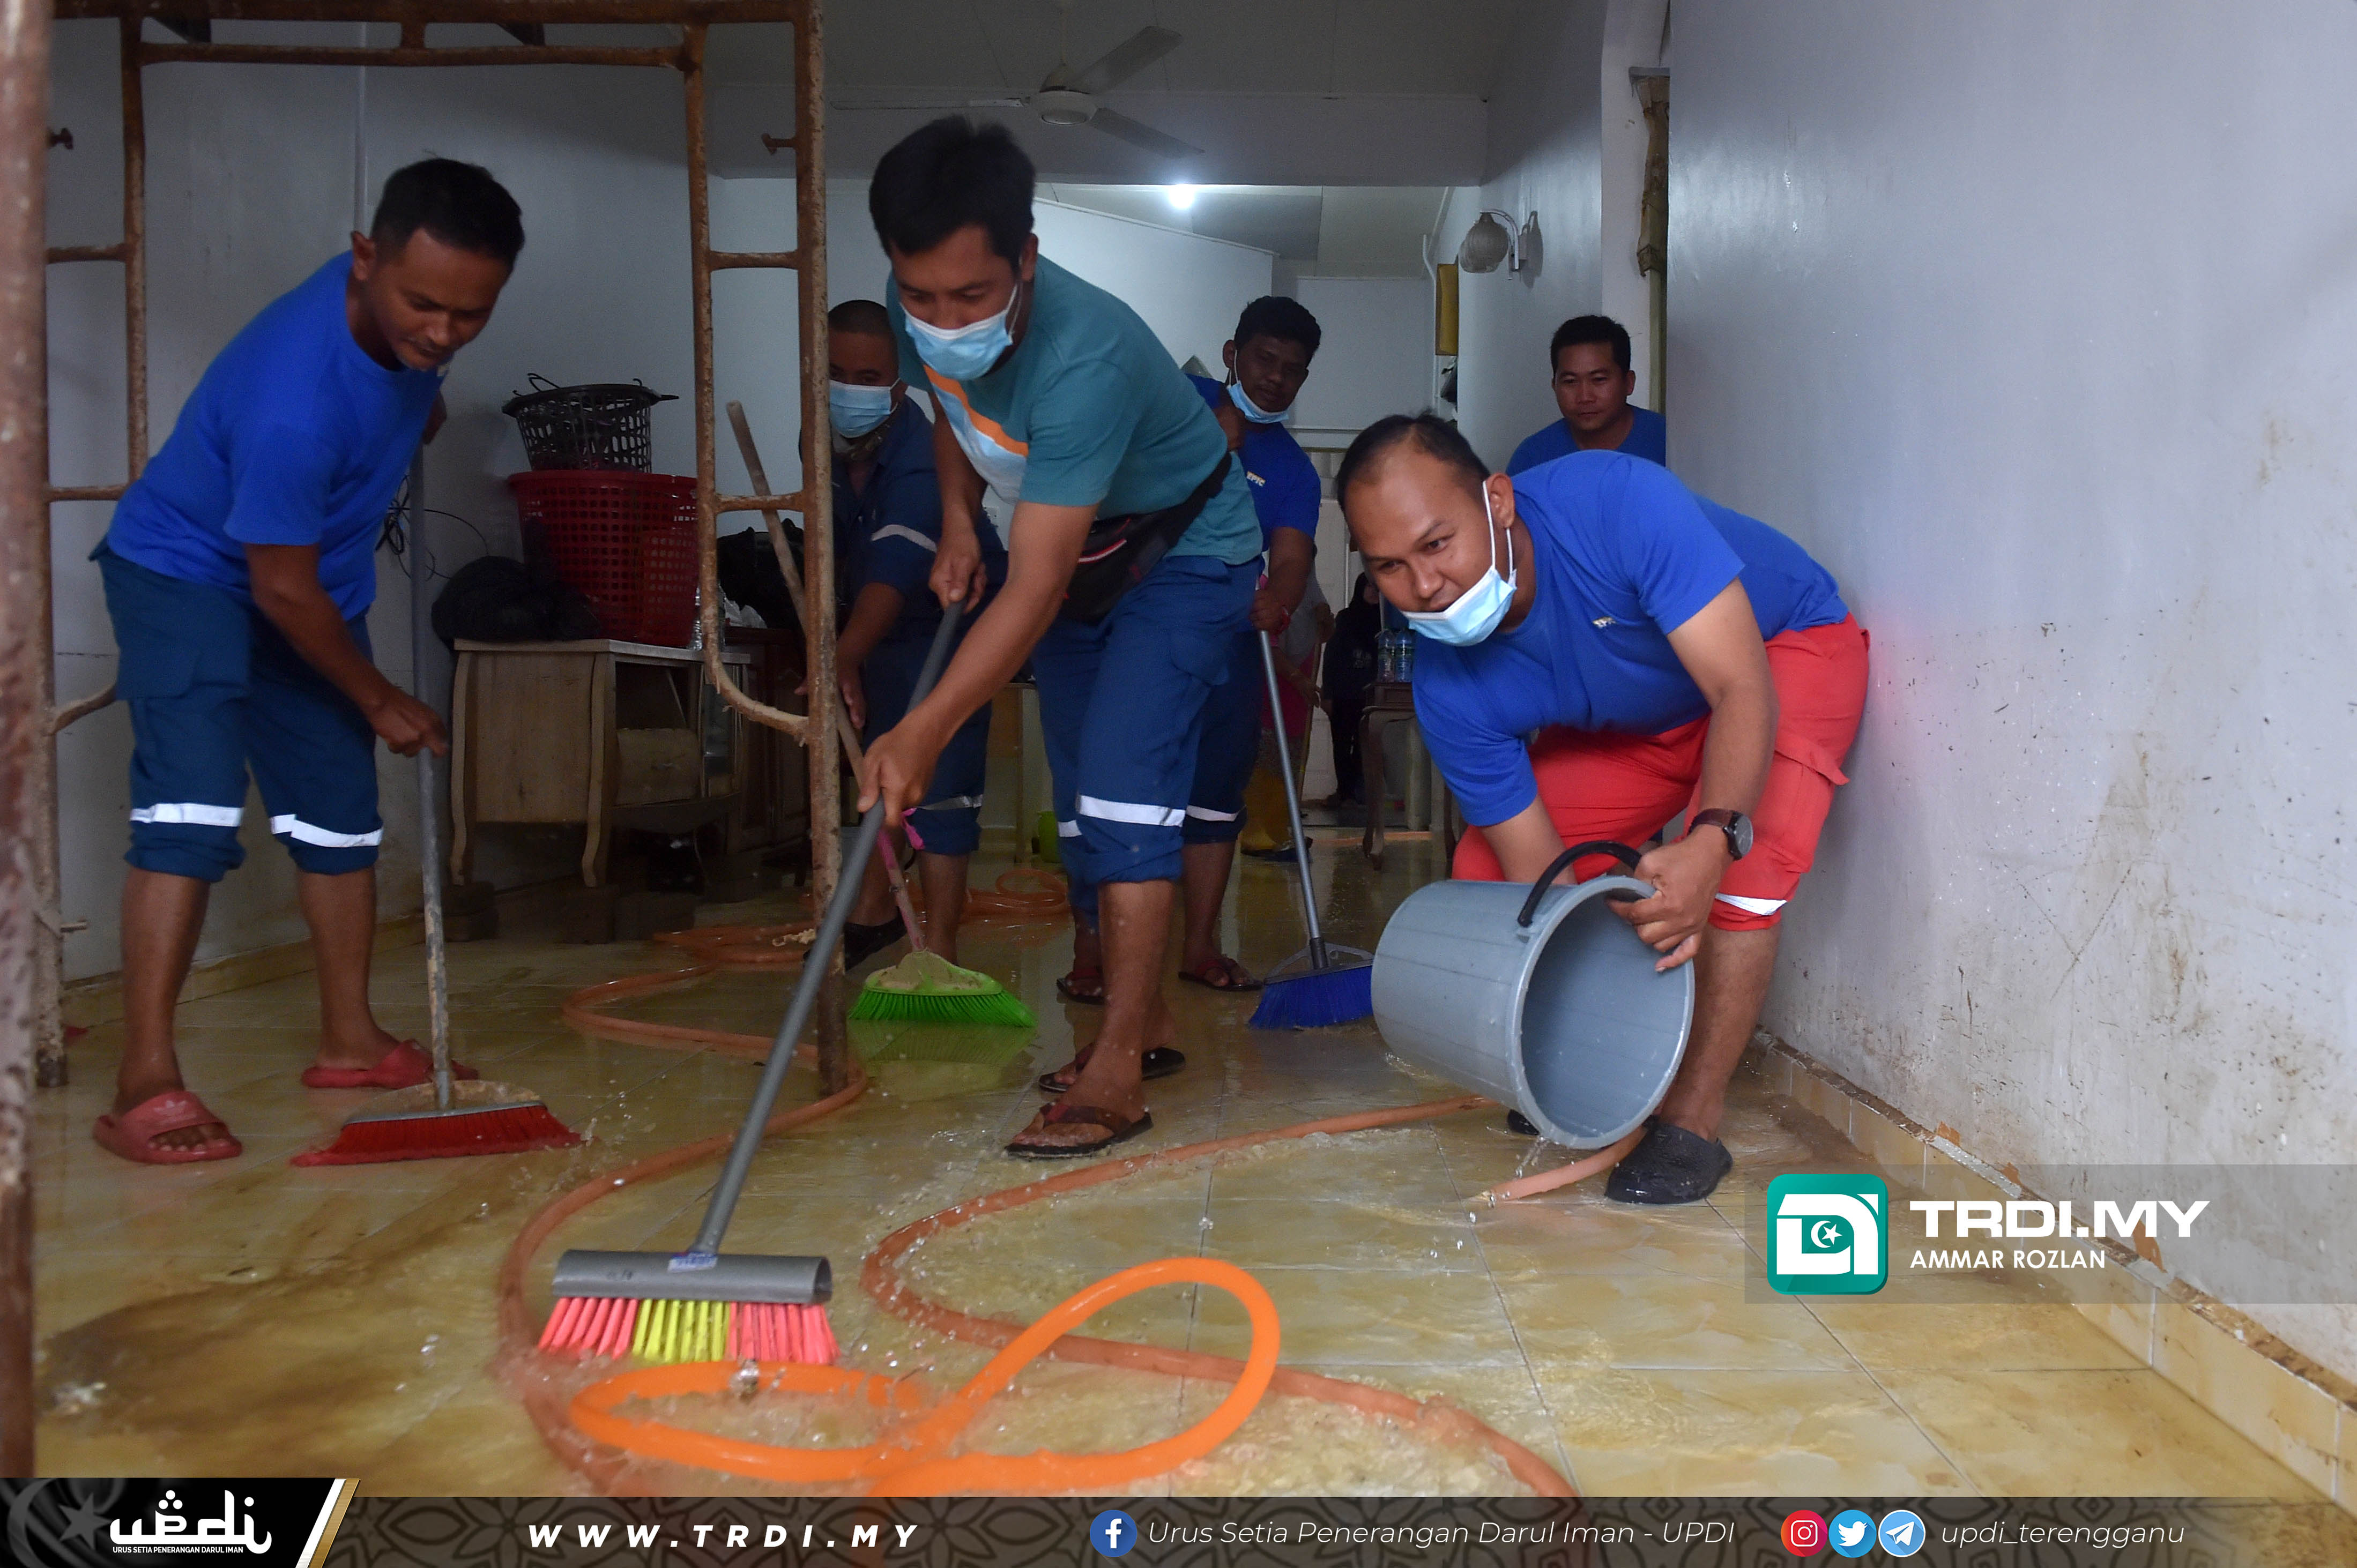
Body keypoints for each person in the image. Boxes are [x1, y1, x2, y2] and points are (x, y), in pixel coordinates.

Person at [90, 159, 523, 1163]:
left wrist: (417, 402)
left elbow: (406, 380)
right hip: (188, 575)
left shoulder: (405, 321)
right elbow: (279, 591)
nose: (442, 334)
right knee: (192, 808)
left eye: (470, 314)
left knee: (337, 808)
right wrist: (380, 698)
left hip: (308, 583)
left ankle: (348, 1041)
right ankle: (145, 1079)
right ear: (364, 257)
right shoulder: (294, 400)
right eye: (424, 307)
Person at [857, 119, 1264, 1158]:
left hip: (1184, 555)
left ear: (1026, 259)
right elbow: (949, 409)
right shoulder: (917, 313)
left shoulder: (1087, 358)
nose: (944, 322)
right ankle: (1144, 1017)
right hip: (1083, 559)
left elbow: (1033, 587)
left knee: (1128, 789)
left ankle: (1117, 1066)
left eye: (972, 297)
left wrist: (921, 727)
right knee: (1085, 806)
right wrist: (958, 520)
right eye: (921, 297)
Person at [1337, 416, 1868, 1204]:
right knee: (1493, 875)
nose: (1423, 586)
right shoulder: (1447, 686)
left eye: (1437, 543)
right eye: (1389, 565)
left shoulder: (1618, 505)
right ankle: (1601, 1060)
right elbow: (1542, 878)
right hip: (1649, 719)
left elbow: (1739, 688)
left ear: (1498, 501)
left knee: (1740, 871)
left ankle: (1691, 1117)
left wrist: (1710, 841)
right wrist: (1570, 1048)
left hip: (1779, 654)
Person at [1058, 296, 1324, 998]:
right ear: (1232, 353)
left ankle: (1199, 945)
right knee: (1110, 783)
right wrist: (1208, 443)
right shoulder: (1182, 399)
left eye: (1292, 370)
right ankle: (1093, 947)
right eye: (1264, 359)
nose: (1275, 378)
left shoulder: (1294, 470)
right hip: (1129, 620)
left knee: (1214, 791)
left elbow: (1291, 556)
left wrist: (1280, 599)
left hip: (1230, 641)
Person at [820, 297, 1007, 969]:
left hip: (953, 620)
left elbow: (893, 573)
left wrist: (844, 656)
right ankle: (874, 911)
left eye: (868, 377)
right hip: (882, 630)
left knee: (941, 775)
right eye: (837, 374)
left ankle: (942, 947)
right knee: (881, 765)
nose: (850, 389)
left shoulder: (923, 458)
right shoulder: (828, 446)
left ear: (898, 387)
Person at [1506, 315, 1665, 475]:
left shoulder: (1667, 442)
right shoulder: (1533, 459)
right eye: (1570, 382)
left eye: (1599, 379)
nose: (1585, 397)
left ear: (1629, 383)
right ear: (1555, 386)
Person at [1319, 572, 1382, 808]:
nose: (1373, 592)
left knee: (1365, 745)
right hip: (1344, 693)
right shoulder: (1345, 619)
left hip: (1370, 694)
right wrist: (1328, 693)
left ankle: (1358, 793)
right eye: (1369, 586)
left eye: (1378, 588)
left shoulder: (1385, 622)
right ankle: (1344, 793)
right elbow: (1332, 657)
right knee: (1342, 743)